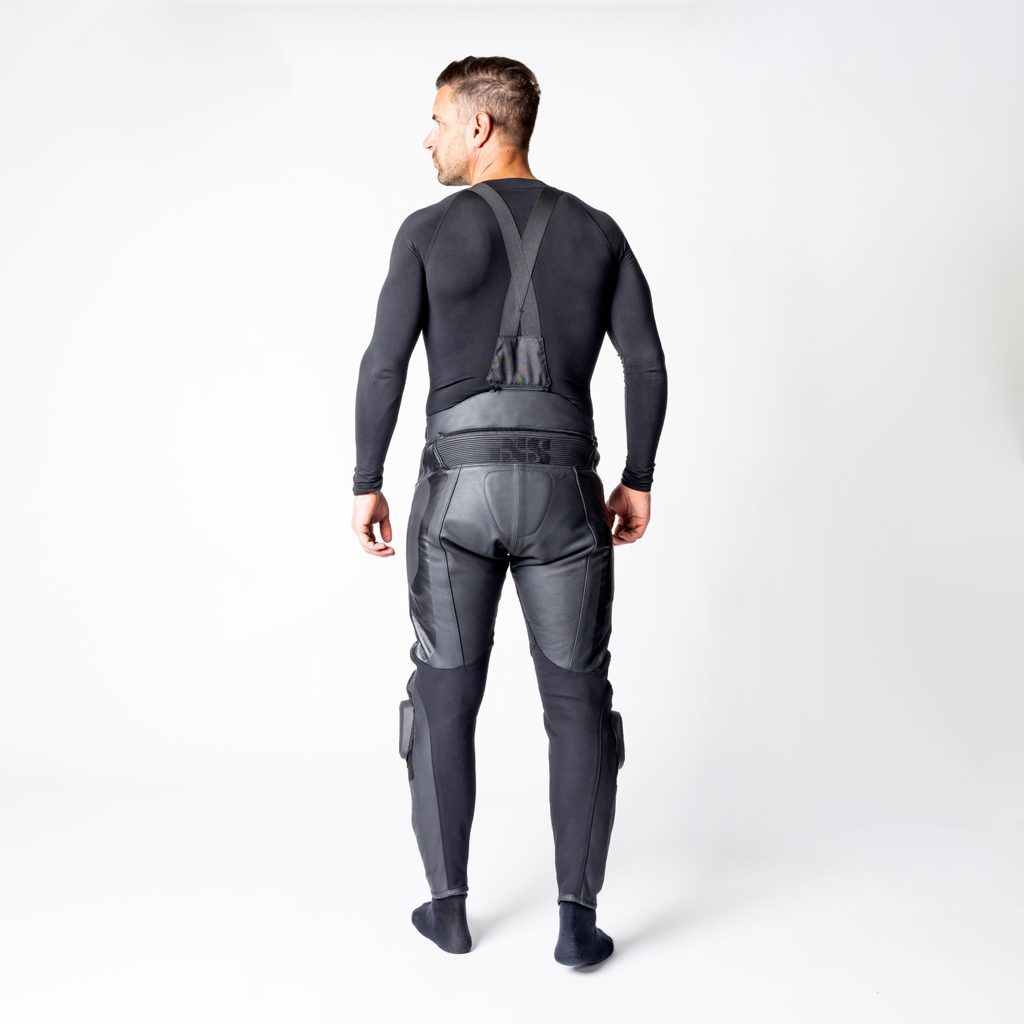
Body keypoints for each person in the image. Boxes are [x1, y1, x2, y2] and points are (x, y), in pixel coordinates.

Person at [351, 56, 668, 967]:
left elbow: (384, 364)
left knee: (442, 696)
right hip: (566, 494)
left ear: (481, 126)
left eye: (438, 119)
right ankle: (577, 923)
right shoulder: (599, 232)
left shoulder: (425, 232)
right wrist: (637, 477)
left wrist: (367, 477)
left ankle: (448, 909)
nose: (428, 138)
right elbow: (646, 364)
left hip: (455, 492)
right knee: (578, 701)